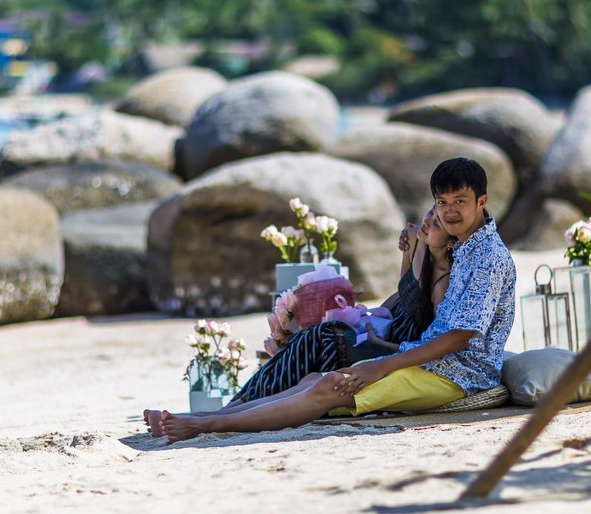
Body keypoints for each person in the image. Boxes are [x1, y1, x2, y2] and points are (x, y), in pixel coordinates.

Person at [149, 157, 516, 442]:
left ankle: (205, 424)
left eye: (460, 202)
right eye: (442, 202)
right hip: (434, 363)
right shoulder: (464, 247)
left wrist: (382, 365)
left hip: (462, 377)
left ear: (482, 201)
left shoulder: (487, 257)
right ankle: (198, 418)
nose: (449, 211)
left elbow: (458, 337)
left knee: (329, 386)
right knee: (313, 378)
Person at [143, 206, 455, 437]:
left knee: (317, 339)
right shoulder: (423, 253)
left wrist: (381, 350)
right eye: (431, 211)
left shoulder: (442, 283)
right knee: (311, 342)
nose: (427, 220)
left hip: (385, 346)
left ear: (451, 240)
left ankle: (214, 417)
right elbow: (402, 296)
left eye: (437, 222)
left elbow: (428, 334)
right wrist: (408, 251)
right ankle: (212, 415)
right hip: (377, 334)